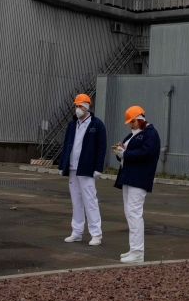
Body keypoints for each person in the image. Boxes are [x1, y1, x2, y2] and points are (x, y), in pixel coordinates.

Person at [57, 93, 107, 246]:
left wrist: (98, 168)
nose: (77, 109)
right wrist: (62, 165)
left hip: (86, 168)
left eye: (80, 106)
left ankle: (96, 234)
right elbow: (66, 145)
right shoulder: (72, 124)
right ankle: (76, 232)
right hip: (72, 168)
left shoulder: (96, 124)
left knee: (90, 200)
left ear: (86, 107)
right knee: (76, 201)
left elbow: (101, 147)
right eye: (76, 106)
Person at [114, 105, 160, 264]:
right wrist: (121, 151)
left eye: (132, 121)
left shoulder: (150, 134)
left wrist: (125, 153)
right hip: (128, 177)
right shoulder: (134, 134)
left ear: (140, 119)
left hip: (139, 178)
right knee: (130, 213)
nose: (130, 124)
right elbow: (128, 155)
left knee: (134, 213)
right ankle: (134, 249)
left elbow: (146, 154)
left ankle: (138, 252)